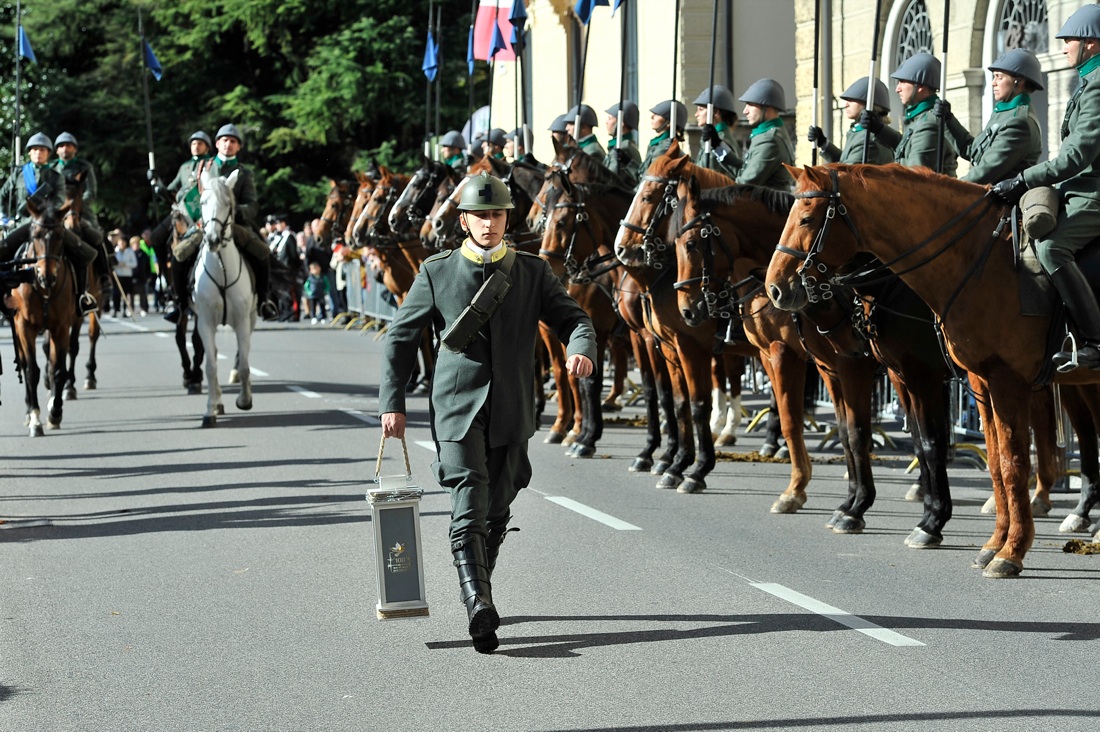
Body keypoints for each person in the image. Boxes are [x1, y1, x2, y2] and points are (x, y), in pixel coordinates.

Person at [378, 173, 596, 654]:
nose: (490, 223)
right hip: (456, 407)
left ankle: (483, 592)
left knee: (498, 504)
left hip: (513, 406)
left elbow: (574, 318)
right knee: (469, 493)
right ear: (464, 221)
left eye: (497, 214)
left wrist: (580, 347)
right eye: (481, 215)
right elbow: (400, 338)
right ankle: (477, 601)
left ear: (506, 219)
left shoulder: (532, 272)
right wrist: (392, 402)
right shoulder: (437, 271)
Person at [992, 5, 1100, 372]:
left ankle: (1095, 341)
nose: (1065, 46)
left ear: (1090, 43)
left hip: (1095, 194)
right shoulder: (1088, 80)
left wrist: (1025, 179)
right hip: (1080, 188)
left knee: (1052, 247)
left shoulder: (1098, 86)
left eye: (1069, 40)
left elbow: (1078, 155)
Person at [166, 124, 279, 322]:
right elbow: (189, 196)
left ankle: (263, 301)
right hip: (205, 225)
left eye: (233, 141)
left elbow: (252, 205)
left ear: (238, 147)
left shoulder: (244, 173)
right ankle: (180, 303)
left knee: (262, 253)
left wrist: (233, 211)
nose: (228, 144)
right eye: (224, 140)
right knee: (179, 254)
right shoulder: (203, 167)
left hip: (235, 225)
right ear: (217, 144)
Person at [0, 132, 98, 314]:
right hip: (24, 224)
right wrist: (3, 217)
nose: (38, 153)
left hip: (49, 224)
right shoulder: (19, 174)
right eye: (35, 149)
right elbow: (3, 196)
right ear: (29, 153)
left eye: (43, 150)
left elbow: (60, 200)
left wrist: (46, 212)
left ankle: (81, 297)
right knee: (2, 249)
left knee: (84, 252)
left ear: (48, 153)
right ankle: (4, 297)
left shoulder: (54, 176)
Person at [936, 49, 1044, 184]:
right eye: (994, 77)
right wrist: (948, 120)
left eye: (999, 77)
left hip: (1003, 200)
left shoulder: (1018, 123)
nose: (993, 82)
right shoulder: (1004, 114)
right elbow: (973, 151)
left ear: (1019, 81)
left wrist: (948, 187)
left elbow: (985, 171)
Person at [862, 52, 958, 176]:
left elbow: (913, 177)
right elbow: (908, 147)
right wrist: (879, 129)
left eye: (902, 81)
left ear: (921, 85)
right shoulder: (921, 118)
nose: (897, 89)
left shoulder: (928, 124)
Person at [152, 131, 213, 322]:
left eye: (200, 143)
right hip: (180, 213)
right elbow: (170, 191)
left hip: (200, 216)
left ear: (207, 147)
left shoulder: (211, 164)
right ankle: (166, 280)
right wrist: (156, 183)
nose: (196, 146)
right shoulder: (185, 167)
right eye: (194, 143)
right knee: (155, 237)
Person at [52, 132, 111, 291]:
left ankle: (104, 275)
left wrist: (76, 206)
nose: (65, 149)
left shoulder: (85, 167)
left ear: (75, 149)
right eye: (61, 146)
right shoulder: (51, 169)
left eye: (69, 146)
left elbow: (91, 191)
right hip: (57, 213)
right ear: (57, 150)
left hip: (81, 211)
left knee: (96, 236)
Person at [807, 77, 896, 165]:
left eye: (851, 100)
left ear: (868, 104)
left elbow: (847, 174)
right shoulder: (861, 133)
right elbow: (845, 160)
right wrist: (823, 143)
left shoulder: (868, 139)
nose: (846, 105)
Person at [735, 79, 795, 188]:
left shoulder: (769, 140)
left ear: (767, 107)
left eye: (750, 105)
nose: (745, 111)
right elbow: (746, 168)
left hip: (765, 204)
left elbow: (745, 184)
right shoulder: (769, 133)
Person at [693, 84, 743, 179]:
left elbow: (705, 174)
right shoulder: (719, 136)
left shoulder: (720, 139)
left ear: (716, 112)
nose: (696, 114)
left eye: (701, 109)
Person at [638, 99, 687, 180]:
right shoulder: (656, 144)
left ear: (668, 123)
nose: (652, 116)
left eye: (657, 115)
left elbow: (650, 177)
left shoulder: (665, 148)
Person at [604, 101, 642, 188]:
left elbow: (609, 178)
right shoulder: (616, 145)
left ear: (621, 123)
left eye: (610, 118)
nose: (606, 122)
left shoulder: (625, 147)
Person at [113, 235, 138, 317]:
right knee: (116, 294)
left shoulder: (130, 251)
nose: (122, 244)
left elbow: (134, 263)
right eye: (120, 243)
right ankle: (116, 310)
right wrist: (117, 265)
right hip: (118, 275)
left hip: (127, 276)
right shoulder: (115, 251)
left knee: (126, 294)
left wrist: (125, 264)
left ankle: (124, 310)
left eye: (123, 243)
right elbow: (111, 264)